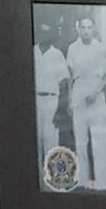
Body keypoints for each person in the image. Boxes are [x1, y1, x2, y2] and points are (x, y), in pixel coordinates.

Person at [65, 12, 106, 189]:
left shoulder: (101, 48)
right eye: (83, 27)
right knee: (80, 141)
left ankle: (103, 184)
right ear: (78, 29)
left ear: (94, 28)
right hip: (79, 95)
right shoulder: (72, 48)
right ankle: (83, 182)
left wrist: (96, 92)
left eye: (89, 27)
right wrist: (70, 101)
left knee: (100, 141)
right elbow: (70, 78)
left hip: (96, 95)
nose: (86, 31)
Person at [32, 21, 69, 179]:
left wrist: (60, 108)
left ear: (52, 35)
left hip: (52, 100)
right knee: (35, 140)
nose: (44, 35)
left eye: (47, 33)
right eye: (42, 32)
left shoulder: (57, 54)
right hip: (35, 99)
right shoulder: (32, 52)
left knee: (51, 140)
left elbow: (64, 83)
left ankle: (53, 179)